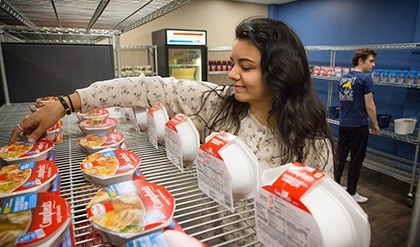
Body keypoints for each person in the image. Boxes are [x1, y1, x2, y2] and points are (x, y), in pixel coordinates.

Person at [10, 17, 334, 179]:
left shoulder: (311, 141)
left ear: (281, 73)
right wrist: (65, 104)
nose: (232, 74)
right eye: (233, 63)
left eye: (245, 66)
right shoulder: (217, 102)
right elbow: (147, 87)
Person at [334, 48, 379, 203]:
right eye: (371, 61)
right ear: (361, 61)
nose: (373, 64)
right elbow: (370, 105)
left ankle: (334, 188)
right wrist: (375, 123)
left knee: (340, 158)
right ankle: (352, 192)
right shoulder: (366, 78)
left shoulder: (342, 78)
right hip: (358, 125)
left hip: (344, 123)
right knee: (356, 160)